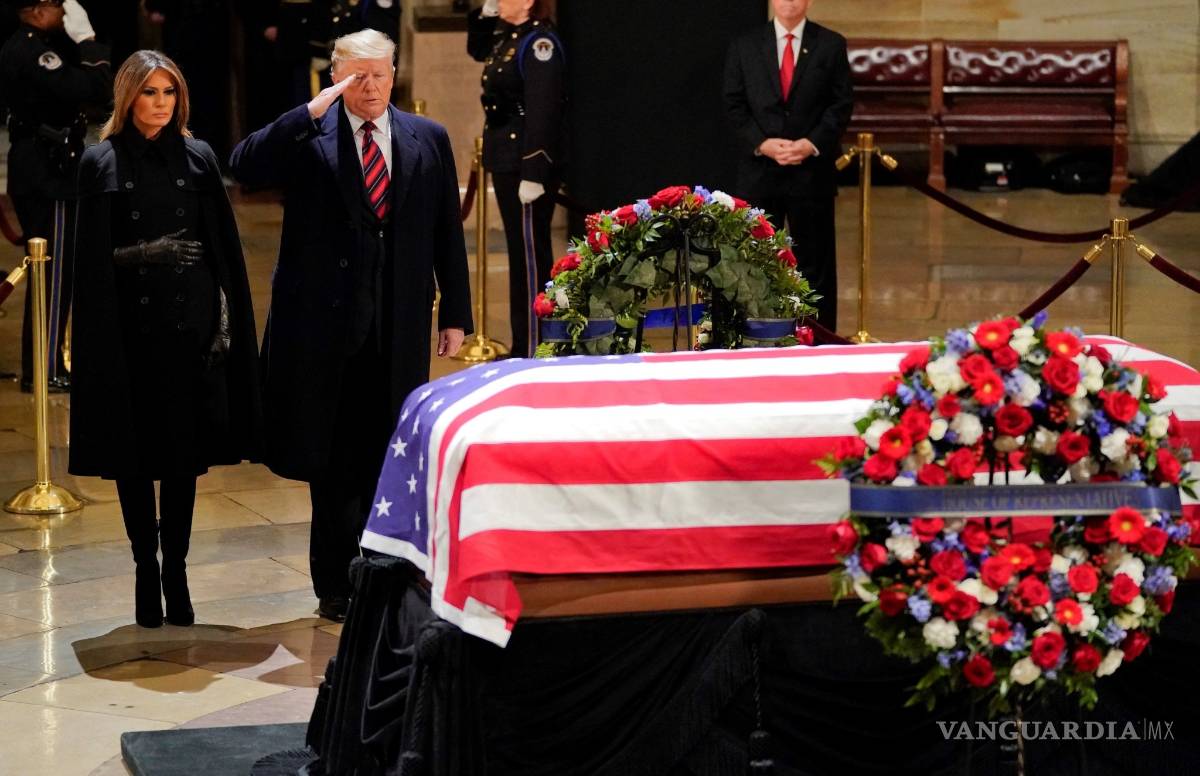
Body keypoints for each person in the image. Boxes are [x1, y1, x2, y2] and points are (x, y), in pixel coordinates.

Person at [230, 29, 473, 622]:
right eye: (358, 77)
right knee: (333, 459)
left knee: (389, 452)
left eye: (380, 75)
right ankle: (336, 582)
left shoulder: (427, 137)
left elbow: (446, 230)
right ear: (336, 77)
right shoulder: (309, 133)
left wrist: (456, 315)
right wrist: (309, 112)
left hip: (398, 323)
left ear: (394, 75)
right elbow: (244, 165)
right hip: (325, 327)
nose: (370, 87)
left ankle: (385, 573)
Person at [68, 50, 264, 628]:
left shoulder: (198, 157)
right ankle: (143, 569)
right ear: (128, 97)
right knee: (133, 459)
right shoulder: (101, 161)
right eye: (150, 92)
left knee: (184, 459)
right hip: (128, 335)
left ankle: (175, 569)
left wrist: (223, 325)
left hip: (188, 330)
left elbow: (225, 256)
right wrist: (142, 252)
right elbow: (89, 262)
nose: (160, 103)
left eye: (169, 92)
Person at [0, 0, 111, 392]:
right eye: (54, 5)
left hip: (40, 167)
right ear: (34, 9)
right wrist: (89, 41)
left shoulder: (29, 45)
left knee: (51, 274)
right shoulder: (34, 51)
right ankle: (44, 369)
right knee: (53, 275)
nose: (62, 13)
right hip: (49, 172)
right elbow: (93, 87)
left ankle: (44, 366)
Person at [723, 0, 852, 329]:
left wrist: (811, 143)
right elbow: (733, 104)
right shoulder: (745, 45)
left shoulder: (830, 44)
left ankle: (819, 336)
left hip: (810, 172)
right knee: (755, 259)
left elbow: (840, 104)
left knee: (815, 262)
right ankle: (755, 334)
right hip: (760, 172)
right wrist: (762, 143)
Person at [468, 0, 564, 358]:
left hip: (525, 163)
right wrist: (485, 13)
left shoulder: (540, 43)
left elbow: (543, 109)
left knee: (530, 258)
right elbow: (477, 48)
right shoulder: (509, 37)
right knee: (519, 254)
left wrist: (534, 170)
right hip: (507, 159)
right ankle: (523, 342)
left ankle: (536, 346)